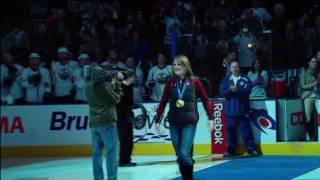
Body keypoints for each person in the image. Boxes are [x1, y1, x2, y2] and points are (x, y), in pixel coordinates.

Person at [155, 55, 214, 180]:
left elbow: (205, 99)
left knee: (184, 154)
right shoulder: (171, 83)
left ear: (186, 66)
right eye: (174, 65)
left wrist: (211, 117)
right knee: (180, 155)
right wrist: (157, 120)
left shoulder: (194, 81)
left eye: (179, 64)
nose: (176, 67)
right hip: (174, 123)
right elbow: (163, 101)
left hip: (189, 123)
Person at [84, 65, 124, 180]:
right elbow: (116, 99)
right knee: (111, 153)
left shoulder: (86, 86)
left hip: (94, 123)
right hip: (107, 122)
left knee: (96, 154)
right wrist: (118, 83)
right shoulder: (102, 86)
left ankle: (98, 178)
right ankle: (112, 178)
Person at [219, 60, 259, 157]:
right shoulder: (226, 80)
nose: (235, 68)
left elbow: (248, 90)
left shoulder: (245, 79)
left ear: (239, 68)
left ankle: (252, 149)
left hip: (242, 110)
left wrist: (238, 90)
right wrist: (230, 90)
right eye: (233, 67)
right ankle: (230, 150)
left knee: (246, 131)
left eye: (236, 67)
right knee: (230, 131)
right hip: (230, 111)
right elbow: (222, 92)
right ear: (230, 69)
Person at [116, 68, 136, 167]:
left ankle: (127, 159)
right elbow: (119, 104)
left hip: (128, 117)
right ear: (131, 77)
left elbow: (130, 103)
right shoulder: (120, 87)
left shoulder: (130, 86)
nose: (135, 78)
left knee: (129, 140)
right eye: (134, 76)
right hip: (121, 117)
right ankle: (123, 161)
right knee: (124, 140)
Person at [299, 57, 320, 141]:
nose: (314, 63)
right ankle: (309, 135)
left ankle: (317, 135)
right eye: (313, 62)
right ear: (309, 63)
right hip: (308, 96)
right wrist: (314, 83)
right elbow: (303, 86)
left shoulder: (318, 73)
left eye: (315, 62)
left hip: (318, 96)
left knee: (318, 116)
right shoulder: (304, 73)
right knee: (308, 117)